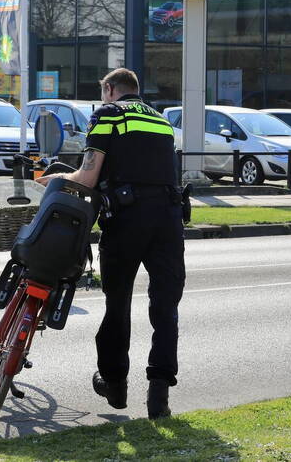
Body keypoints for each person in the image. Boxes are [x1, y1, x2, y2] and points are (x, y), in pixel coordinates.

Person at [36, 68, 183, 420]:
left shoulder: (108, 115)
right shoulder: (161, 121)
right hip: (168, 220)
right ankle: (159, 394)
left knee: (118, 303)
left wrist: (55, 178)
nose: (102, 99)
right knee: (165, 307)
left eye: (103, 93)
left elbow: (88, 175)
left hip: (127, 219)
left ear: (111, 89)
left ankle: (115, 385)